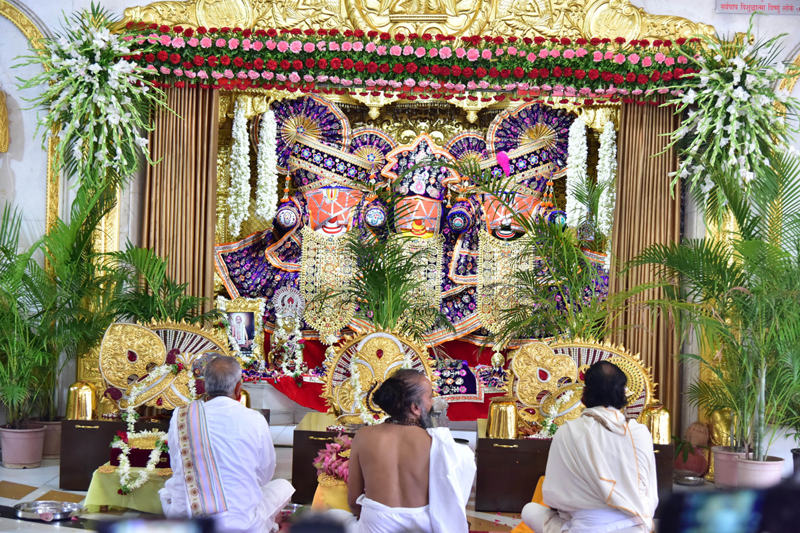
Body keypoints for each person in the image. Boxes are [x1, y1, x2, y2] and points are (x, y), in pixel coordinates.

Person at [328, 369, 476, 533]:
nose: (432, 402)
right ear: (415, 407)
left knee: (331, 516)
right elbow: (452, 501)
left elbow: (354, 503)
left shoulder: (363, 436)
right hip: (420, 529)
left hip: (374, 526)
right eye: (430, 397)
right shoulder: (435, 442)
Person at [159, 355, 294, 533]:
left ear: (205, 386)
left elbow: (177, 466)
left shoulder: (181, 416)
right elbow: (265, 474)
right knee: (283, 486)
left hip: (193, 521)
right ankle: (269, 526)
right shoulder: (255, 419)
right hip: (243, 524)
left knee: (167, 491)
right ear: (239, 388)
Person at [522, 361, 658, 533]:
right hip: (636, 526)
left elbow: (553, 499)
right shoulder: (640, 432)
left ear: (585, 393)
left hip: (587, 528)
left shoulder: (568, 431)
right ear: (623, 394)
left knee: (530, 510)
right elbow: (650, 495)